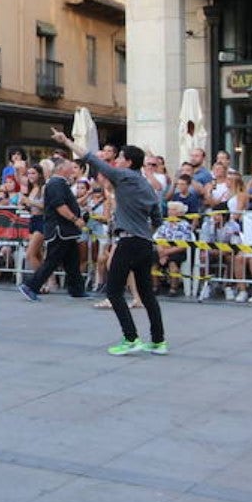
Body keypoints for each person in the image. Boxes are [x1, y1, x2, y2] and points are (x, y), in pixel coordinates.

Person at [53, 127, 166, 354]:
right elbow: (158, 217)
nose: (117, 161)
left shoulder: (123, 176)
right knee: (147, 294)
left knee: (113, 291)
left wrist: (66, 141)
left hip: (128, 241)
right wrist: (145, 231)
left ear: (128, 162)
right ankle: (158, 340)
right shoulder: (146, 185)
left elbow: (91, 158)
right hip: (144, 243)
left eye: (121, 158)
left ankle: (131, 338)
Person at [18, 156, 87, 300]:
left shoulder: (61, 183)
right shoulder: (56, 183)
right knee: (52, 260)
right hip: (59, 230)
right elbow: (59, 206)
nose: (72, 168)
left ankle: (77, 290)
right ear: (61, 168)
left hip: (66, 231)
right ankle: (31, 286)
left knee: (72, 261)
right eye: (70, 166)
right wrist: (75, 219)